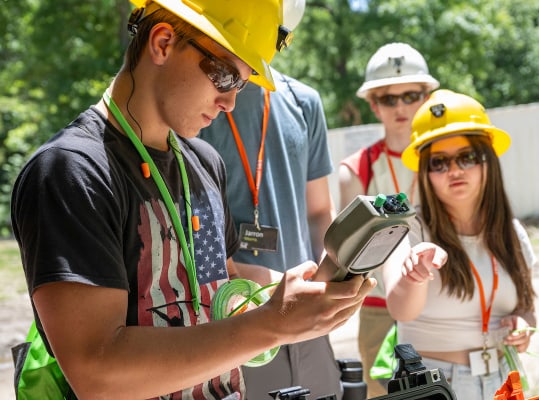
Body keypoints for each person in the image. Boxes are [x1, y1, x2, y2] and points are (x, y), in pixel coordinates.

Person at [9, 1, 376, 398]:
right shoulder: (72, 171)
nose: (231, 101)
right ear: (163, 43)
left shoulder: (203, 163)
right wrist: (274, 324)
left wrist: (299, 294)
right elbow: (97, 373)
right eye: (224, 76)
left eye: (242, 82)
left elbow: (219, 285)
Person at [384, 89, 537, 400]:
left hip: (504, 380)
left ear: (487, 162)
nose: (454, 171)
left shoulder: (512, 232)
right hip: (434, 386)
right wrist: (415, 272)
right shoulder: (406, 228)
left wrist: (524, 325)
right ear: (424, 173)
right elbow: (400, 308)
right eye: (438, 162)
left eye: (467, 157)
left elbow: (527, 308)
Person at [199, 67, 342, 398]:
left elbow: (320, 211)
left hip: (310, 326)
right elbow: (196, 243)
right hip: (235, 325)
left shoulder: (303, 101)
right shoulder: (199, 106)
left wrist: (332, 274)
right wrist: (280, 287)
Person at [337, 42, 439, 398]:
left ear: (427, 95)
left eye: (411, 95)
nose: (401, 107)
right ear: (373, 104)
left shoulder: (444, 161)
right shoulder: (355, 171)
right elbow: (351, 255)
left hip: (440, 302)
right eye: (388, 98)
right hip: (380, 310)